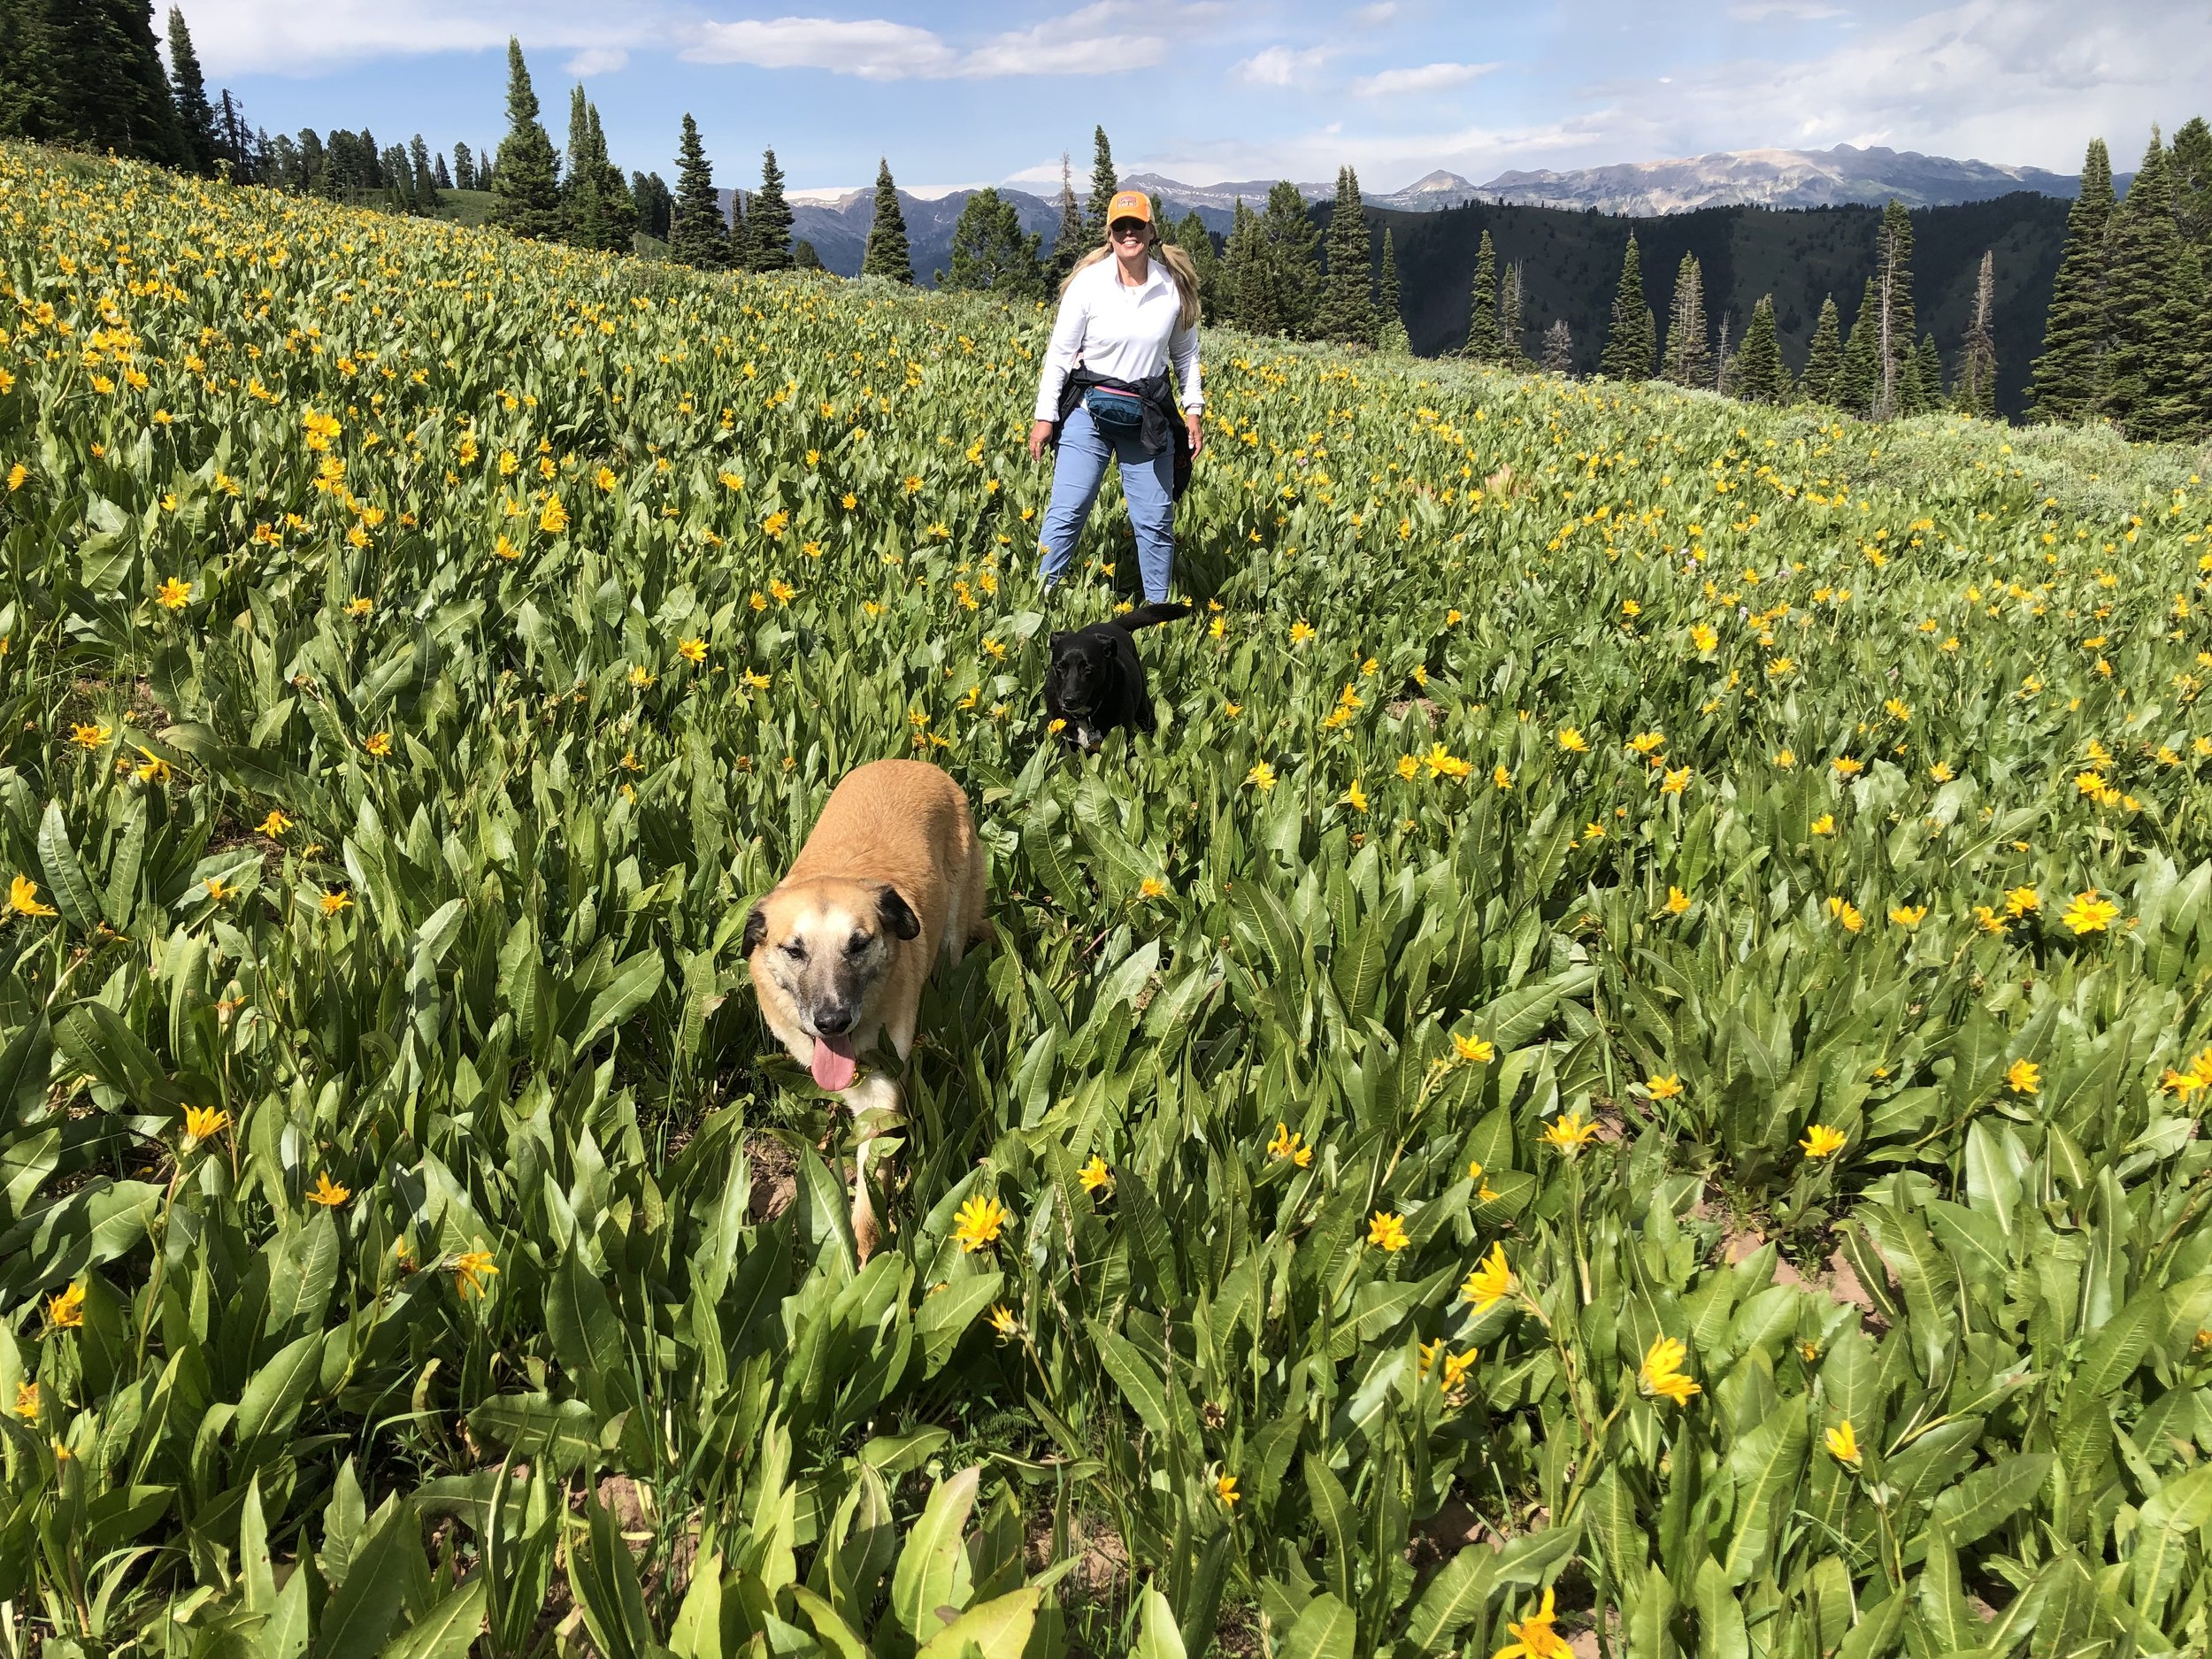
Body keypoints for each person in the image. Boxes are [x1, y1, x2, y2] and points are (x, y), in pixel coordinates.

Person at [1028, 189, 1204, 604]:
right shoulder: (1088, 285)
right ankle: (1040, 600)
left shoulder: (1171, 286)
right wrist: (1045, 416)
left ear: (1150, 230)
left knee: (1155, 520)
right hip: (1089, 411)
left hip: (1147, 415)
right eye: (1121, 226)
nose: (1130, 233)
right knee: (1068, 510)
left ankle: (1158, 610)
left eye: (1137, 225)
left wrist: (1193, 409)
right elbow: (1060, 354)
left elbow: (1186, 355)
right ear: (1110, 234)